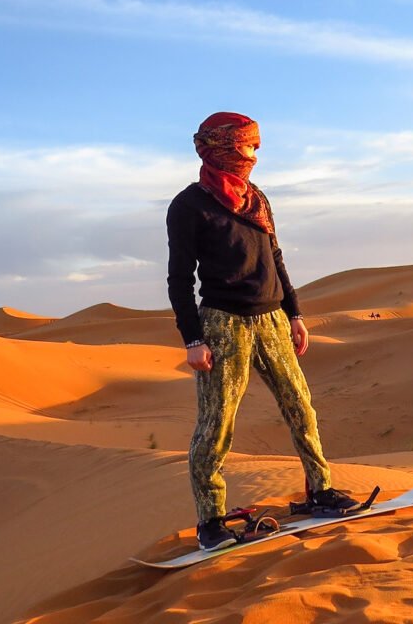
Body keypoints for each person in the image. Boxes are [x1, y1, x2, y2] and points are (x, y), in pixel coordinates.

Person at [166, 112, 358, 551]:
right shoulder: (188, 205)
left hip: (272, 320)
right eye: (250, 145)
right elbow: (180, 279)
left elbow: (275, 256)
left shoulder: (257, 198)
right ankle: (211, 521)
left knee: (301, 408)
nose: (256, 152)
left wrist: (295, 313)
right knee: (216, 426)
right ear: (226, 148)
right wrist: (193, 339)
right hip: (222, 324)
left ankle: (320, 490)